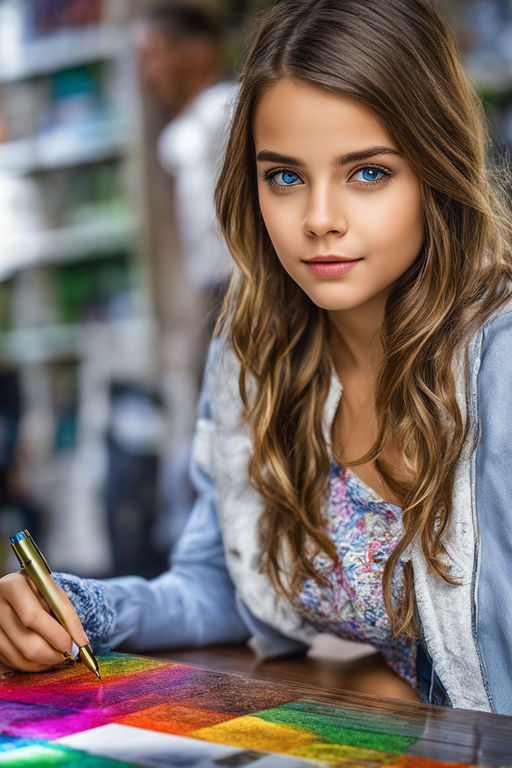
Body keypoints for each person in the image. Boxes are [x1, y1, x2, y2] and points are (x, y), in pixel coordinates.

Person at [0, 0, 511, 715]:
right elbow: (221, 585)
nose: (319, 219)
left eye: (367, 173)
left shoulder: (500, 365)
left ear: (436, 165)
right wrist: (80, 607)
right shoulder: (256, 356)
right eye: (286, 177)